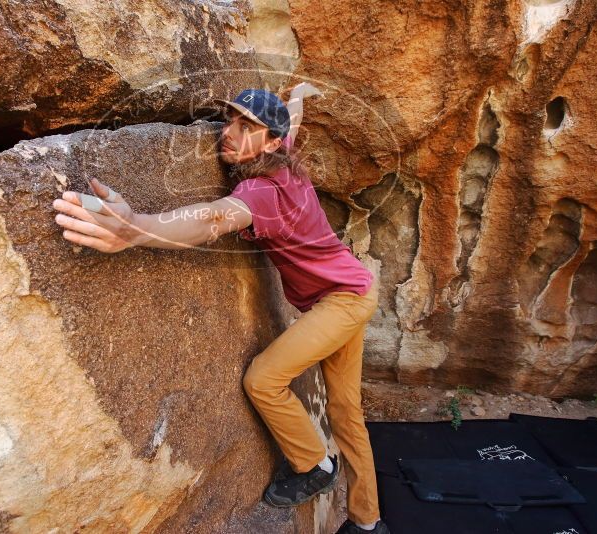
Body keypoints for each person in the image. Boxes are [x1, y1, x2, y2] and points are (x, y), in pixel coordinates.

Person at [51, 86, 390, 534]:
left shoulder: (264, 192)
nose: (227, 133)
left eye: (245, 126)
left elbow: (213, 218)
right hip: (352, 290)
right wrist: (297, 98)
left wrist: (140, 228)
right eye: (228, 120)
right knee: (347, 412)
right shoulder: (279, 152)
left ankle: (313, 466)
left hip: (342, 301)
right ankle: (370, 524)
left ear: (269, 142)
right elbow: (290, 120)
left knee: (264, 379)